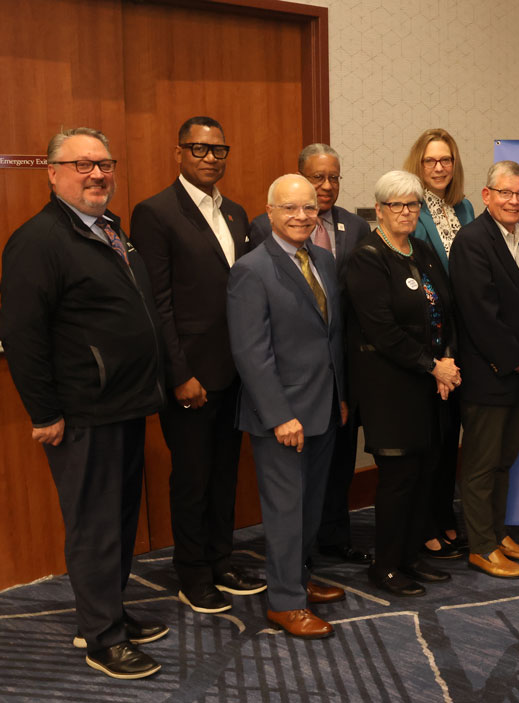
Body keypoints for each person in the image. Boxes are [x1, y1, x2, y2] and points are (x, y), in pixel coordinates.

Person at [0, 127, 167, 678]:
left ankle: (108, 612)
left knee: (118, 520)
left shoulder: (112, 229)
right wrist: (44, 413)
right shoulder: (38, 240)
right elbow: (22, 337)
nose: (98, 174)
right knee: (94, 526)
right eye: (82, 165)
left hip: (125, 403)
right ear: (52, 173)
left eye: (104, 163)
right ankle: (101, 638)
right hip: (82, 413)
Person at [129, 116, 265, 615]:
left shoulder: (236, 213)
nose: (210, 158)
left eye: (218, 150)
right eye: (199, 149)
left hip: (234, 372)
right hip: (189, 375)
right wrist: (179, 373)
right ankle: (192, 573)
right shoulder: (155, 213)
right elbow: (156, 302)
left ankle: (220, 559)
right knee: (191, 477)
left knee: (225, 473)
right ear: (179, 153)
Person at [227, 174, 350, 639]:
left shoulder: (321, 259)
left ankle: (297, 580)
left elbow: (330, 336)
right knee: (284, 511)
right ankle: (283, 602)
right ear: (270, 212)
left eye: (308, 208)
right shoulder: (251, 270)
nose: (301, 216)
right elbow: (251, 353)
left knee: (310, 508)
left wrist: (340, 397)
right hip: (282, 416)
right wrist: (280, 415)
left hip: (323, 407)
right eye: (289, 209)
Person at [250, 143, 372, 568]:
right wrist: (277, 409)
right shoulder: (257, 250)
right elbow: (254, 342)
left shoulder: (340, 241)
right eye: (317, 177)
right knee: (289, 498)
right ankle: (289, 585)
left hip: (332, 384)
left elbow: (342, 319)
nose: (325, 187)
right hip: (287, 392)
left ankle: (320, 555)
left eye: (333, 178)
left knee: (324, 481)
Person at [342, 171, 460, 597]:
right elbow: (382, 331)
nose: (407, 212)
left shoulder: (423, 250)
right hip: (391, 388)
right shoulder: (367, 257)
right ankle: (386, 566)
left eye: (413, 204)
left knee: (425, 473)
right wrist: (434, 366)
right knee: (398, 479)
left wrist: (446, 357)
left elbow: (445, 309)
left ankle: (410, 557)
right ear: (379, 210)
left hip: (430, 383)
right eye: (397, 205)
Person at [448, 161, 519, 579]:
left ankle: (496, 533)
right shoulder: (472, 241)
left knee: (504, 461)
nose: (515, 201)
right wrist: (517, 361)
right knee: (480, 465)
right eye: (506, 193)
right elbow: (480, 315)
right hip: (488, 376)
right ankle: (481, 547)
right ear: (487, 195)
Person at [403, 128, 476, 560]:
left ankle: (446, 517)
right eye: (431, 160)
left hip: (464, 337)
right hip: (431, 337)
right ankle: (426, 522)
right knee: (430, 436)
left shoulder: (464, 207)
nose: (439, 167)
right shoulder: (411, 209)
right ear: (419, 164)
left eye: (446, 160)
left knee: (452, 435)